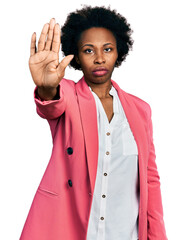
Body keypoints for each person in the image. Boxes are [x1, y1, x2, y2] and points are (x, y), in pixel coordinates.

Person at [20, 5, 168, 240]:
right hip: (73, 231)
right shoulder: (67, 95)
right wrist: (47, 86)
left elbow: (150, 180)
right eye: (89, 51)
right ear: (77, 56)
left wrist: (157, 236)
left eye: (107, 49)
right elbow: (50, 103)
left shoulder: (141, 111)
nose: (99, 58)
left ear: (118, 51)